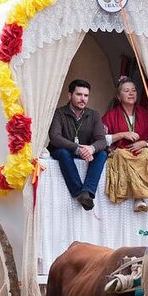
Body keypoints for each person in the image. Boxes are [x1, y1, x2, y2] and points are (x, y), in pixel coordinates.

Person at [102, 76, 148, 211]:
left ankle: (140, 198)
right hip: (120, 151)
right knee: (122, 155)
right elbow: (100, 139)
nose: (131, 93)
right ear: (118, 96)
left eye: (133, 90)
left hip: (141, 150)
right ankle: (145, 197)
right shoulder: (110, 116)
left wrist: (145, 143)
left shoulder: (146, 115)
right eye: (126, 91)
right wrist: (121, 135)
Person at [48, 79, 108, 211]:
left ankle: (87, 192)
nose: (83, 99)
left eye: (86, 95)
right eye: (79, 94)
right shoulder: (59, 113)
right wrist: (77, 149)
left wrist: (91, 148)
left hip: (85, 151)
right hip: (63, 150)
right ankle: (78, 192)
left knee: (102, 153)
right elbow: (55, 137)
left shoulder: (94, 115)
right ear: (70, 95)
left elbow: (102, 141)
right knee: (63, 153)